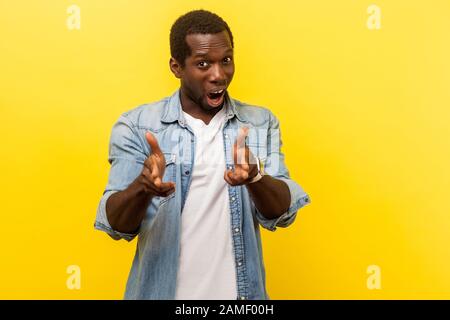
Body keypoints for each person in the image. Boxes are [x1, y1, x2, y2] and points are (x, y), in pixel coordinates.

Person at [94, 9, 310, 300]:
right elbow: (116, 225)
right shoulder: (137, 126)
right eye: (203, 63)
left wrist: (255, 177)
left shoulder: (258, 123)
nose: (218, 75)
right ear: (177, 67)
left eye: (226, 61)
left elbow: (282, 215)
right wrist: (142, 188)